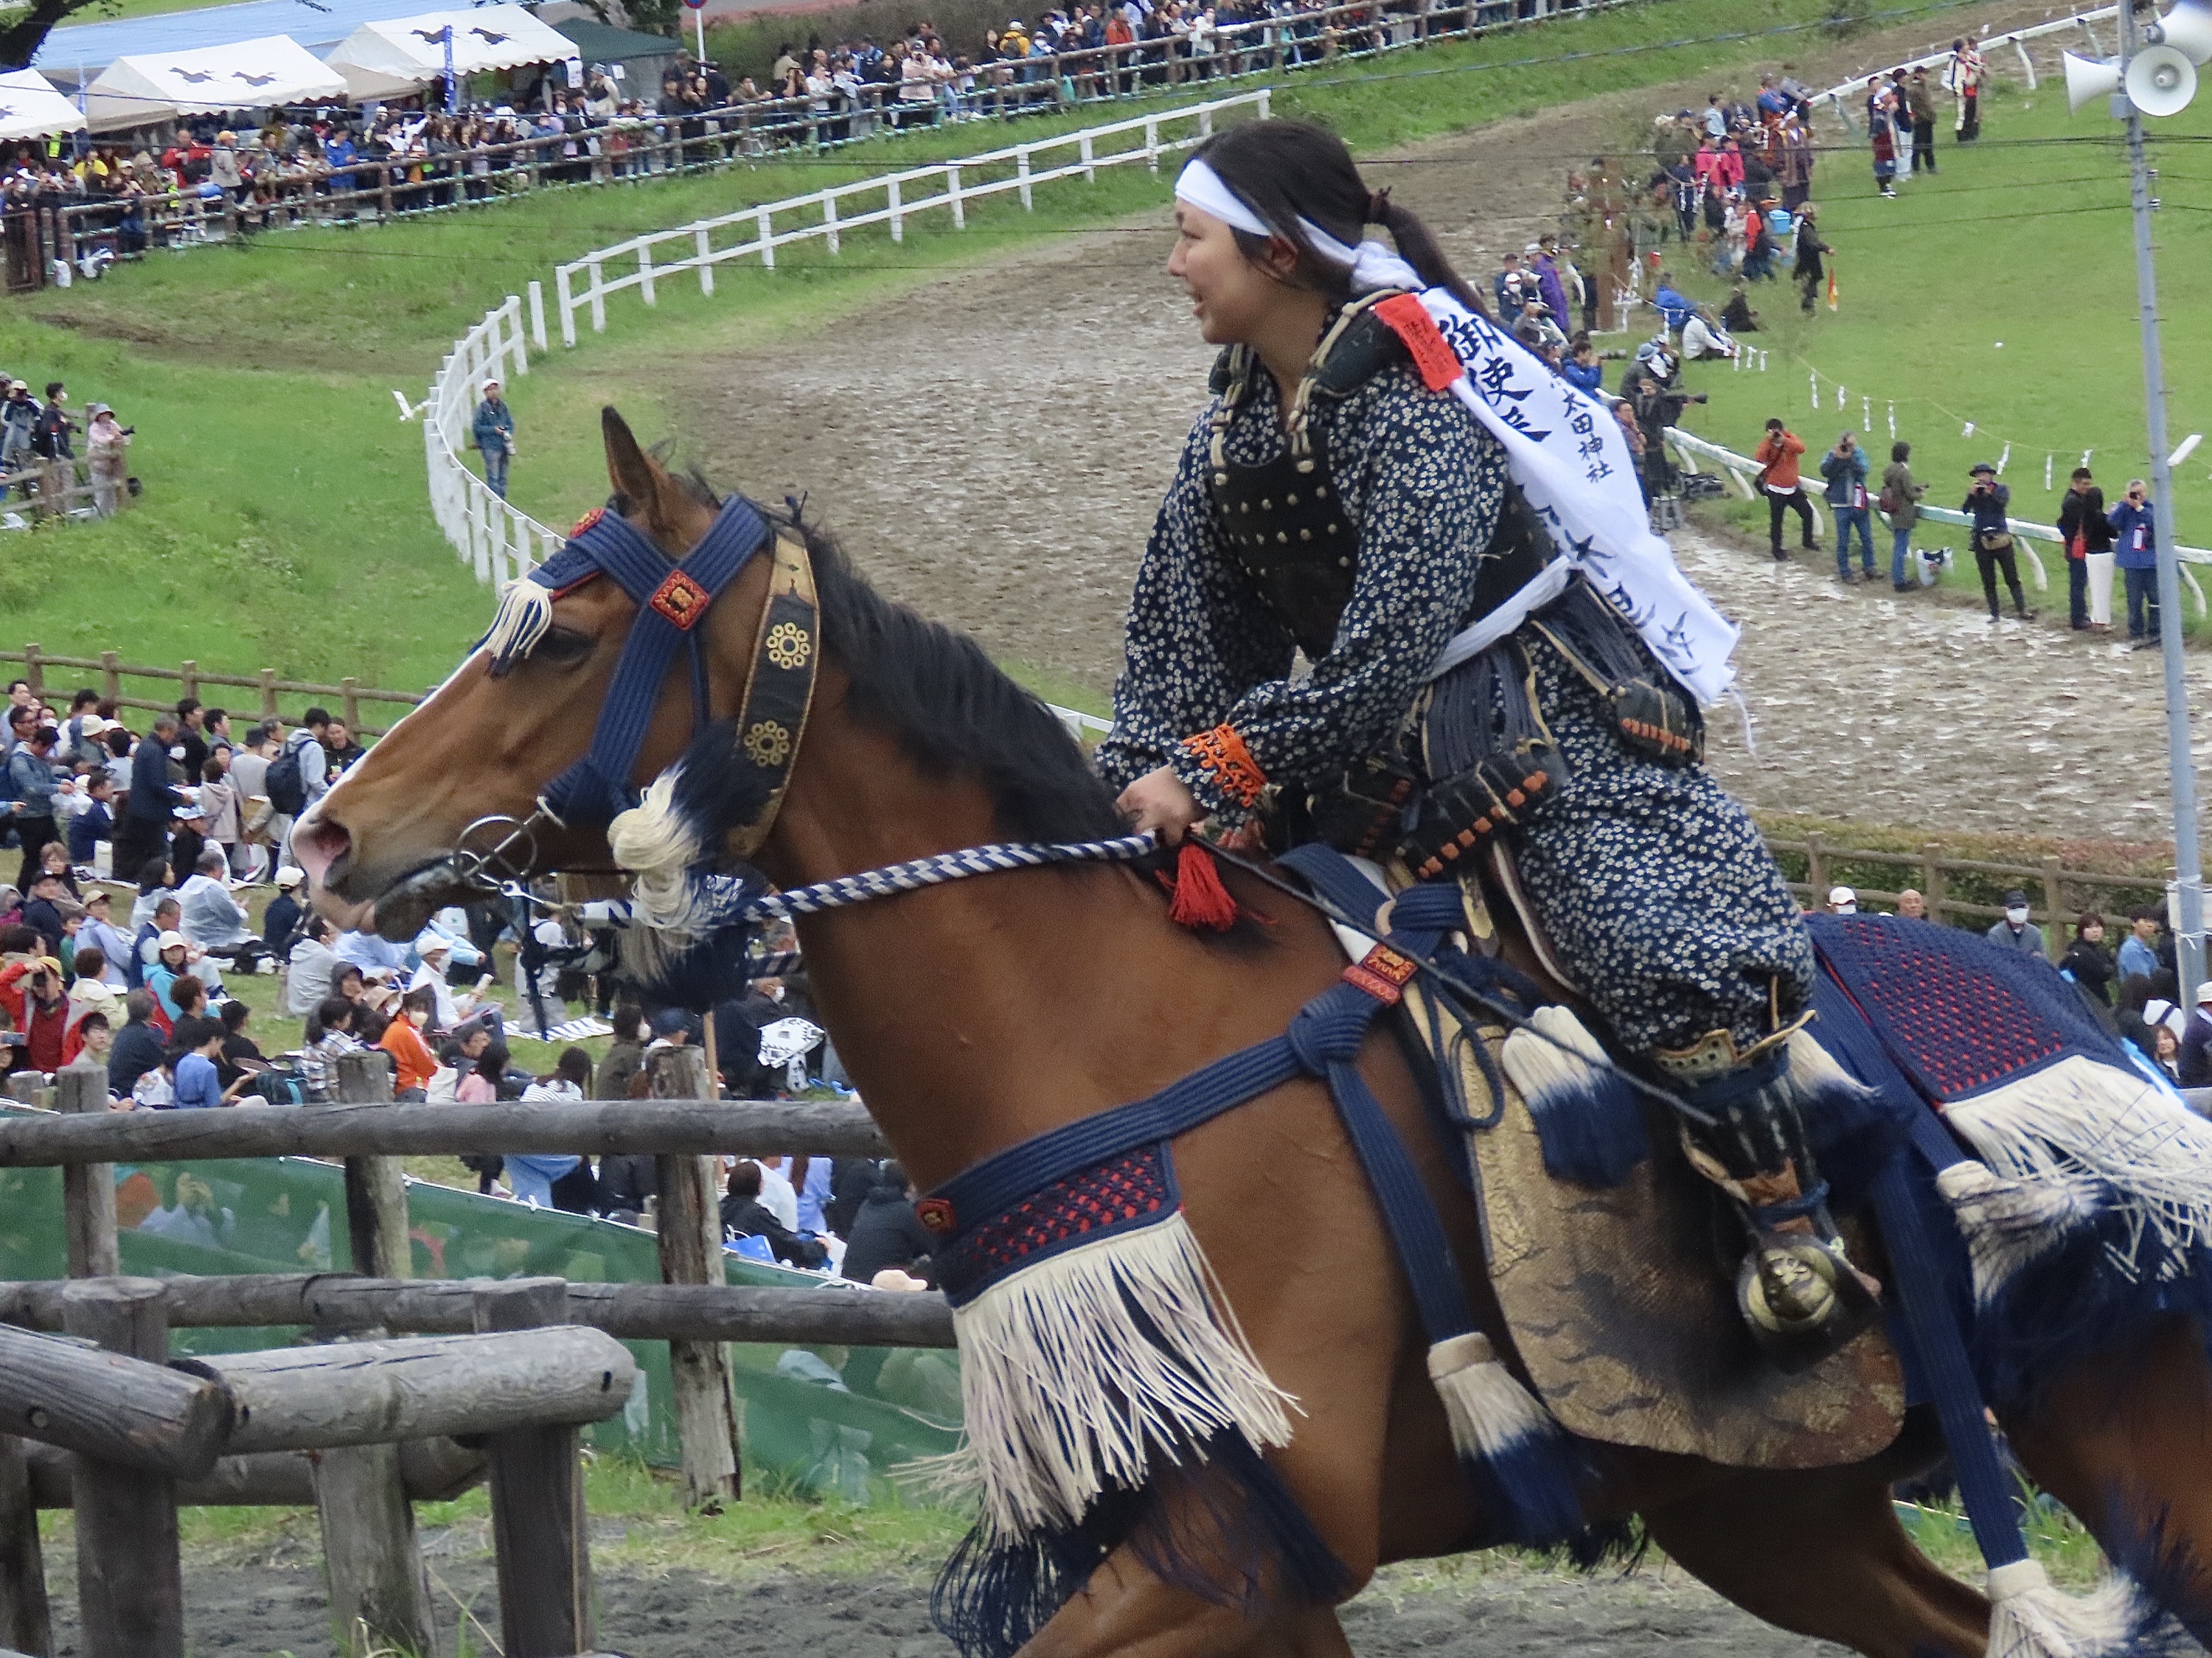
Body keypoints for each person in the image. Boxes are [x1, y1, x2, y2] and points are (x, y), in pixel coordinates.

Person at [1103, 119, 1867, 1362]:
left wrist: (1218, 766)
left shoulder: (1411, 392)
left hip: (1534, 712)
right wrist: (1138, 772)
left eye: (1191, 239)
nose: (1174, 264)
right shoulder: (1230, 428)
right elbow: (1183, 636)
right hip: (1350, 754)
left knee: (1639, 929)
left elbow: (1390, 642)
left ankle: (1786, 1209)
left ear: (1277, 252)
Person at [840, 1161, 936, 1285]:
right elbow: (932, 1246)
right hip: (879, 1284)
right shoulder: (907, 1212)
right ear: (911, 1185)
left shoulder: (867, 1204)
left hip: (849, 1279)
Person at [722, 1160, 829, 1267]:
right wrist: (820, 1248)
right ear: (759, 1186)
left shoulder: (718, 1209)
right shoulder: (757, 1215)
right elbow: (789, 1246)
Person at [1962, 462, 2032, 623]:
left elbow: (2002, 503)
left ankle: (2022, 610)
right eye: (1978, 475)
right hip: (1981, 540)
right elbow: (1965, 510)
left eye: (1984, 474)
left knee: (2012, 577)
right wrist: (1971, 495)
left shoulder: (2001, 489)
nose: (1981, 478)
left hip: (2001, 537)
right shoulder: (1975, 493)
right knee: (1988, 580)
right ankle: (1995, 614)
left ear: (1991, 475)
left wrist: (1990, 494)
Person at [114, 712, 180, 879]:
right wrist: (179, 796)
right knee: (158, 851)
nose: (173, 738)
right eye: (173, 733)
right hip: (151, 812)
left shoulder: (144, 745)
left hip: (137, 808)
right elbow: (156, 784)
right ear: (166, 730)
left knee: (138, 850)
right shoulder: (155, 752)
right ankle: (160, 878)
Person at [2056, 466, 2114, 633]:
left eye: (2089, 484)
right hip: (2078, 547)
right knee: (2078, 583)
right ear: (2075, 482)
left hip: (2075, 546)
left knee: (2079, 582)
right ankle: (2078, 618)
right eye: (2084, 484)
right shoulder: (2074, 502)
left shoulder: (2074, 499)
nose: (2087, 488)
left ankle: (2080, 615)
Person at [1754, 418, 1817, 559]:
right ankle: (1777, 550)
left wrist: (1784, 441)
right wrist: (1769, 441)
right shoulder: (1768, 443)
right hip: (1776, 489)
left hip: (1792, 488)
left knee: (1808, 513)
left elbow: (1801, 448)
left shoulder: (1789, 438)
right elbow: (1759, 457)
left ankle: (1808, 541)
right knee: (1777, 521)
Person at [7, 722, 59, 889]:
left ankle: (67, 891)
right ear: (39, 744)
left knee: (58, 854)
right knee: (33, 859)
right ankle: (22, 892)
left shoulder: (40, 760)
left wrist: (64, 784)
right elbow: (31, 788)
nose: (47, 753)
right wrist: (58, 788)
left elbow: (49, 779)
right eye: (47, 748)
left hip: (45, 814)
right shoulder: (19, 760)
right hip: (28, 816)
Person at [2110, 478, 2159, 649]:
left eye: (2140, 493)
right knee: (2134, 601)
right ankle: (2136, 632)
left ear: (2146, 492)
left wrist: (2139, 508)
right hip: (2131, 563)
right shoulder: (2125, 510)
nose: (2138, 496)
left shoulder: (2151, 508)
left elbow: (2155, 523)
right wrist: (2124, 505)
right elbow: (2112, 522)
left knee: (2155, 599)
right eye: (2134, 493)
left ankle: (2156, 632)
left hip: (2150, 562)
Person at [1818, 431, 1874, 584]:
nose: (1849, 448)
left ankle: (1870, 567)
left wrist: (1849, 459)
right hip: (1841, 505)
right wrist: (1837, 459)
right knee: (1843, 541)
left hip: (1859, 503)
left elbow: (1863, 470)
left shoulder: (1859, 454)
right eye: (1846, 445)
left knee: (1867, 537)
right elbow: (1825, 471)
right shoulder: (1833, 455)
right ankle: (1845, 572)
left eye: (1851, 445)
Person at [1879, 441, 1925, 593]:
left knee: (1898, 545)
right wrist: (1920, 494)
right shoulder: (1903, 472)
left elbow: (1898, 489)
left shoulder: (1890, 470)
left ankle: (1898, 578)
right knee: (1901, 547)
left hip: (1894, 511)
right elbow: (1909, 493)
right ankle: (1899, 581)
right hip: (1904, 512)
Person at [299, 995, 361, 1102]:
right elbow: (360, 1056)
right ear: (337, 1022)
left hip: (310, 1094)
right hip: (329, 1097)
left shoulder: (313, 1038)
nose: (350, 1020)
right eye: (348, 1017)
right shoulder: (338, 1042)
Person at [380, 986, 439, 1099]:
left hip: (401, 1083)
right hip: (409, 1084)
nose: (422, 1014)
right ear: (406, 1011)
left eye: (425, 1011)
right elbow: (427, 1067)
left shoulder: (397, 1026)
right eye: (417, 1009)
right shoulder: (407, 1032)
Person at [108, 989, 165, 1098]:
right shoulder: (147, 1037)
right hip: (130, 1094)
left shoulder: (123, 1032)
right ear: (152, 1012)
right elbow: (163, 1065)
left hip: (113, 1089)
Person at [285, 913, 341, 1016]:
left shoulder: (301, 949)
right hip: (316, 1010)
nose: (338, 936)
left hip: (295, 1008)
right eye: (335, 933)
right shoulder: (325, 956)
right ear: (324, 938)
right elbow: (349, 975)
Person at [2061, 913, 2116, 1008]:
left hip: (2098, 999)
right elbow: (2103, 972)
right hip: (2086, 1001)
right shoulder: (2079, 951)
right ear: (2081, 931)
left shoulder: (2099, 950)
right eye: (2089, 927)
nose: (2095, 931)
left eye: (2098, 926)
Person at [473, 378, 515, 499]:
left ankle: (502, 500)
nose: (493, 392)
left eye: (495, 389)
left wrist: (507, 432)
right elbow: (477, 427)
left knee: (503, 477)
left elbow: (510, 423)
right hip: (490, 447)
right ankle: (495, 501)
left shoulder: (503, 406)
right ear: (485, 392)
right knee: (493, 476)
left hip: (504, 446)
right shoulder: (482, 409)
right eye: (490, 390)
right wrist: (493, 430)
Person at [86, 403, 129, 518]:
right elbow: (99, 441)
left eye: (107, 414)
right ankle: (98, 519)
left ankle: (112, 520)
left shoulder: (113, 425)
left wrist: (121, 437)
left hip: (112, 467)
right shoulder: (94, 428)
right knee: (101, 496)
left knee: (112, 496)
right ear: (98, 416)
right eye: (103, 414)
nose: (105, 417)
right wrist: (112, 437)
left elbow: (125, 438)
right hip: (98, 467)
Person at [1792, 203, 1832, 316]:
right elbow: (1813, 243)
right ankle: (1809, 308)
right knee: (1810, 284)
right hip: (1809, 261)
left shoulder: (1804, 227)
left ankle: (1809, 307)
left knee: (1810, 283)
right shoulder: (1806, 229)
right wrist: (1826, 249)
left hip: (1806, 261)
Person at [1986, 889, 2045, 957]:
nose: (2018, 910)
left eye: (2022, 907)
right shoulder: (1996, 934)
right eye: (2013, 908)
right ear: (2006, 910)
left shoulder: (2035, 933)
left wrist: (2039, 957)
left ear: (2028, 908)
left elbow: (2044, 959)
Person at [262, 866, 305, 958]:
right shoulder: (294, 909)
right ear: (297, 887)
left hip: (270, 950)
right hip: (284, 954)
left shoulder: (273, 905)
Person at [2121, 908, 2166, 983]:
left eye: (2153, 922)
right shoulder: (2132, 949)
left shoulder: (2145, 947)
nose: (2150, 925)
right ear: (2134, 923)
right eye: (2146, 921)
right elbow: (2142, 981)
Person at [1907, 67, 1938, 174]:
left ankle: (1931, 166)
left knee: (1928, 145)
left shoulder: (1924, 87)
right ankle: (1916, 168)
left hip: (1928, 120)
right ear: (1918, 75)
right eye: (1924, 74)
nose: (1926, 76)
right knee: (1918, 145)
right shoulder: (1914, 89)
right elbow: (1913, 106)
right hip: (1920, 120)